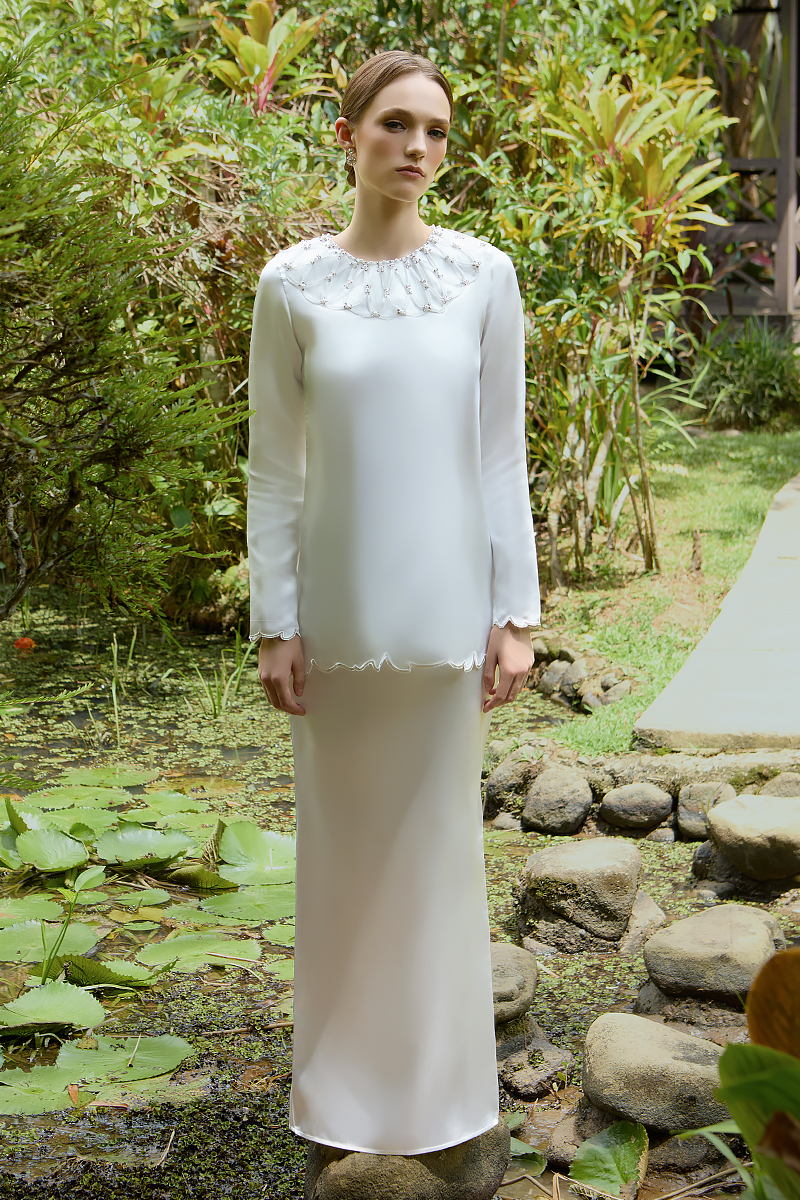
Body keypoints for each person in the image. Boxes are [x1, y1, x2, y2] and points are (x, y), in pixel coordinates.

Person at [247, 50, 540, 1161]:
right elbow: (275, 471)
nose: (417, 147)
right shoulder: (290, 285)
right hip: (336, 629)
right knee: (342, 862)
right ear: (348, 134)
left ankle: (443, 1103)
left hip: (448, 628)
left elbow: (499, 456)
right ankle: (338, 1103)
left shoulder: (484, 277)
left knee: (436, 862)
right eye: (395, 124)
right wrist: (277, 622)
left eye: (436, 131)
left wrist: (515, 615)